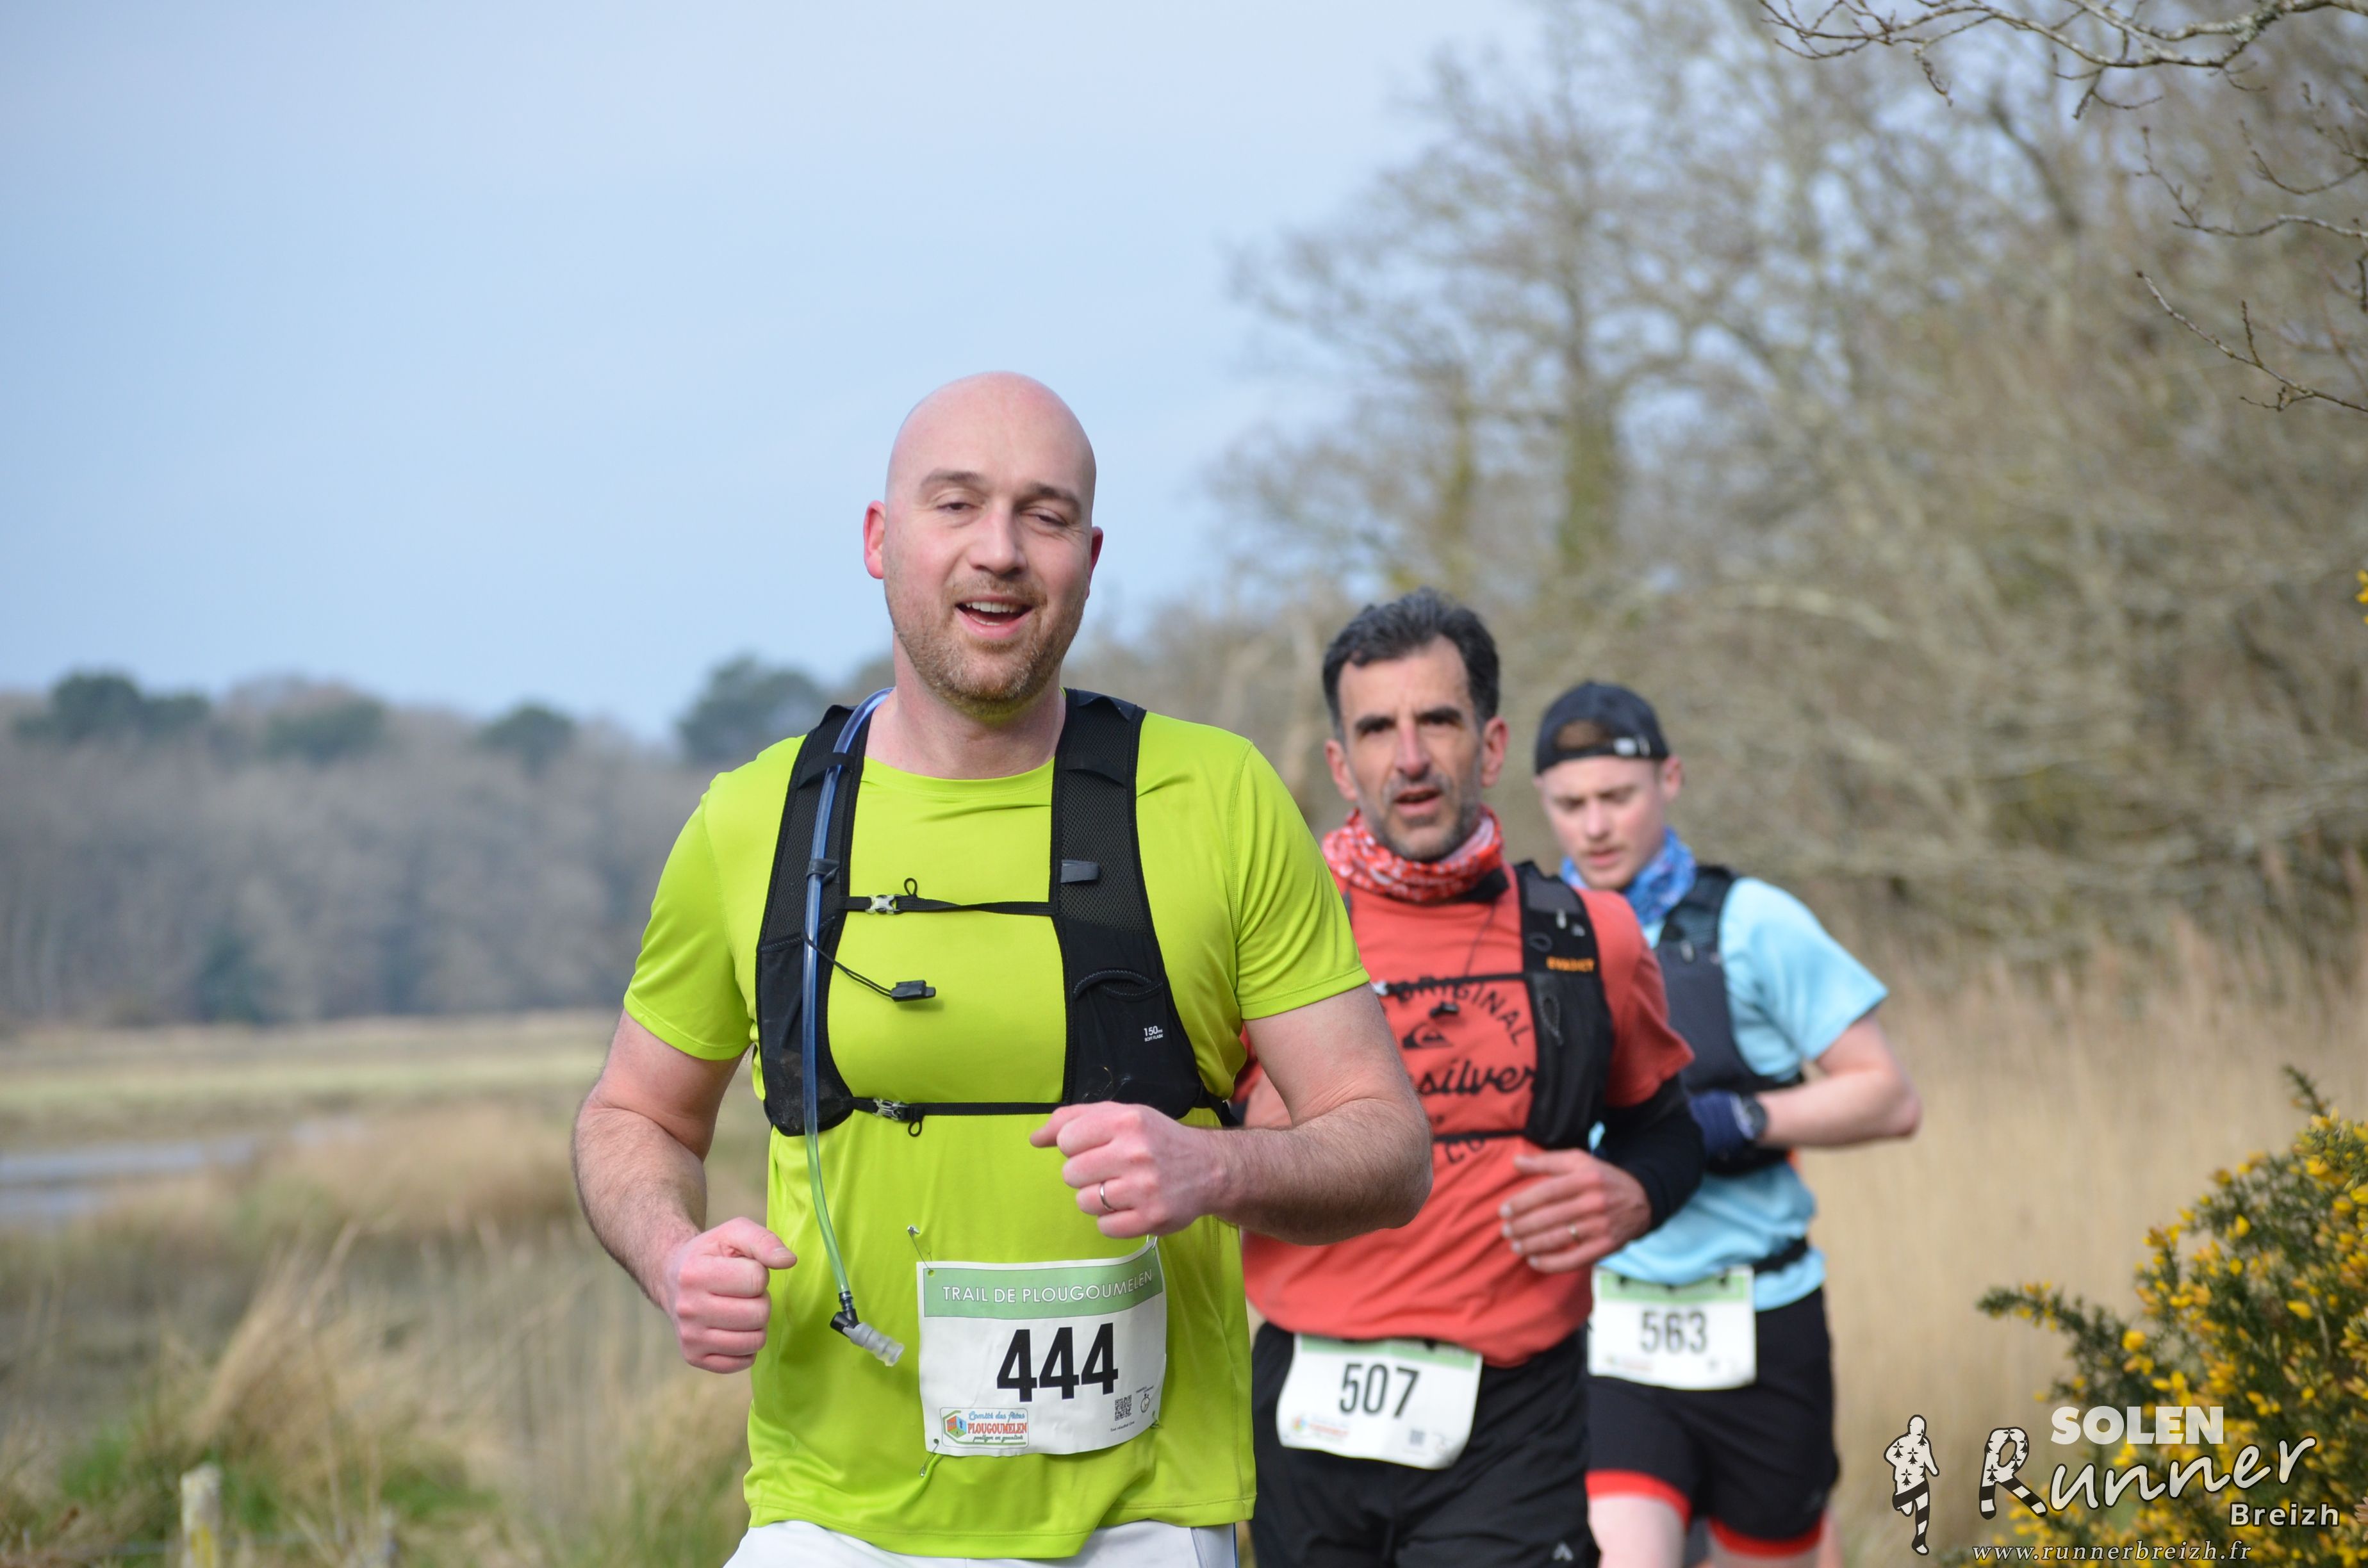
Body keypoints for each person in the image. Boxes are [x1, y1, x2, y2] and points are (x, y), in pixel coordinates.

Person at [572, 373, 1433, 1568]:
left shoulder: (1219, 795)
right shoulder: (753, 819)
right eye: (957, 504)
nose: (1000, 552)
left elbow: (1388, 1147)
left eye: (1044, 514)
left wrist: (1216, 1167)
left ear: (1089, 556)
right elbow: (634, 1116)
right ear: (879, 541)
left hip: (1142, 1520)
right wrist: (672, 1256)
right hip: (831, 1518)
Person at [1238, 591, 1704, 1568]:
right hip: (1304, 1406)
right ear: (1342, 764)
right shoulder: (1263, 938)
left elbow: (1668, 1131)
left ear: (1490, 747)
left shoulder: (1590, 936)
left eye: (1438, 721)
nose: (1410, 757)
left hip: (1513, 1418)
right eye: (1377, 729)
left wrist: (1638, 1191)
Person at [1533, 682, 1921, 1568]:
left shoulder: (1754, 923)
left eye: (1617, 797)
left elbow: (1889, 1097)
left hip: (1762, 1315)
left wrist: (1742, 1117)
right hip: (1610, 1327)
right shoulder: (1533, 935)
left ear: (1669, 780)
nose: (1595, 826)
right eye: (1570, 804)